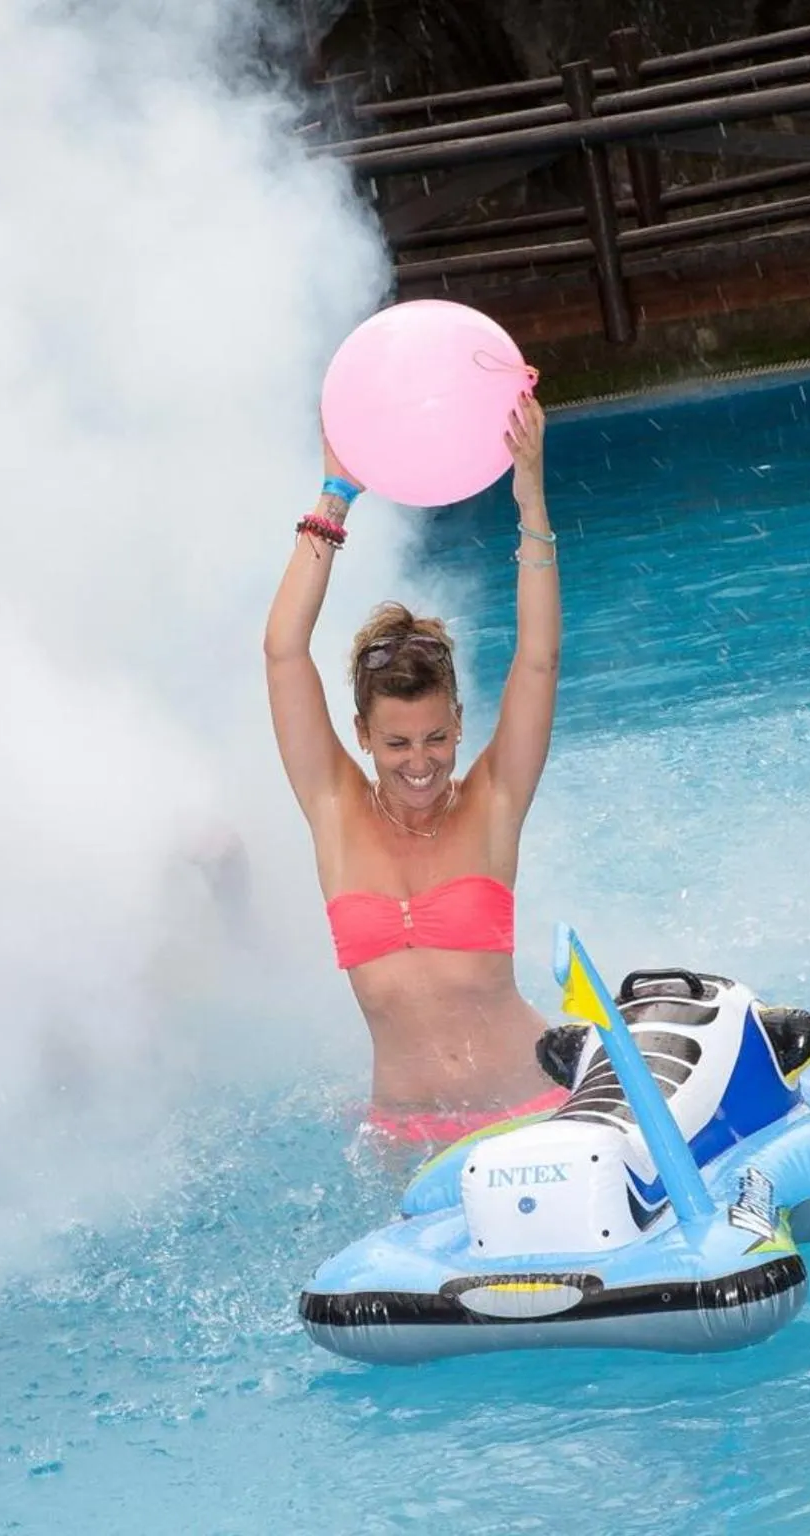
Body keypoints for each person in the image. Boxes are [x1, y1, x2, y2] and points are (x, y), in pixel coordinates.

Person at [263, 393, 566, 1148]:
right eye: (397, 744)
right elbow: (283, 652)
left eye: (437, 737)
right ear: (362, 735)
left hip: (531, 1113)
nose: (421, 762)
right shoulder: (334, 809)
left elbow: (538, 661)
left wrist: (530, 498)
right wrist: (335, 494)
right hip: (404, 1135)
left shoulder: (493, 801)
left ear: (459, 723)